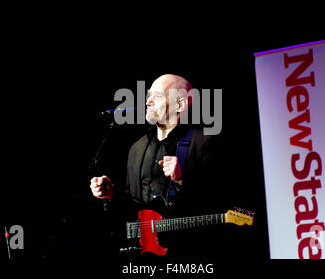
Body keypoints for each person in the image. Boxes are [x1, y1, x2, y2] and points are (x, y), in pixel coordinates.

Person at [90, 74, 227, 256]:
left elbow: (218, 205)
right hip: (145, 253)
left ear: (180, 105)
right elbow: (134, 205)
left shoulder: (204, 143)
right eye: (149, 95)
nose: (148, 102)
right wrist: (111, 194)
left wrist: (181, 181)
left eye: (158, 96)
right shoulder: (137, 148)